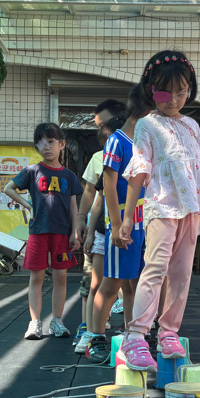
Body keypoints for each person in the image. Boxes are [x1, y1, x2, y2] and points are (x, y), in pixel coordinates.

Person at [116, 50, 200, 371]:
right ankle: (135, 336)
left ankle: (168, 332)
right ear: (150, 91)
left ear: (190, 89)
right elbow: (140, 169)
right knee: (155, 268)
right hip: (162, 206)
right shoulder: (147, 125)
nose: (172, 100)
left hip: (192, 209)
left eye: (181, 92)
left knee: (182, 273)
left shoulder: (194, 127)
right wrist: (127, 218)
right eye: (164, 93)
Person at [83, 86, 152, 364]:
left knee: (136, 285)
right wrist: (115, 224)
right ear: (146, 112)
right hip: (123, 223)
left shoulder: (146, 142)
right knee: (111, 284)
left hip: (144, 223)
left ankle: (133, 336)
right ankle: (96, 337)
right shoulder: (117, 141)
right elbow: (108, 184)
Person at [4, 123, 83, 340]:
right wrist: (28, 205)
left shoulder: (69, 176)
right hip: (38, 231)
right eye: (40, 142)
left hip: (62, 233)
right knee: (36, 276)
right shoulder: (32, 171)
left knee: (60, 277)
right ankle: (35, 323)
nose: (46, 146)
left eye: (50, 141)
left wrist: (74, 232)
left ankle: (57, 321)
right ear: (36, 147)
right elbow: (8, 188)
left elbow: (73, 206)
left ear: (62, 144)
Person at [73, 101, 127, 346]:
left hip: (129, 228)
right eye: (98, 127)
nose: (101, 131)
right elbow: (93, 194)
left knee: (128, 283)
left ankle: (132, 333)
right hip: (102, 229)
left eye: (104, 125)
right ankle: (90, 330)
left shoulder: (138, 152)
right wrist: (82, 220)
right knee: (94, 282)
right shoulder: (98, 157)